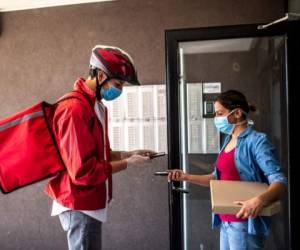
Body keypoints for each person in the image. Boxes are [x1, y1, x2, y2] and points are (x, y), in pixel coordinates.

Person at [44, 45, 154, 250]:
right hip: (79, 203)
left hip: (90, 202)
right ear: (101, 74)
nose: (120, 90)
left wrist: (129, 154)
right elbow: (82, 171)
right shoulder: (74, 109)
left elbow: (100, 155)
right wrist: (127, 163)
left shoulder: (95, 106)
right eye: (118, 83)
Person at [168, 90, 287, 250]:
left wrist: (258, 201)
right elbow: (217, 179)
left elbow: (279, 180)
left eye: (219, 113)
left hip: (244, 224)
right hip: (226, 221)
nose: (217, 119)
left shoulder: (257, 141)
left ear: (237, 113)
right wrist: (186, 177)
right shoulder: (228, 140)